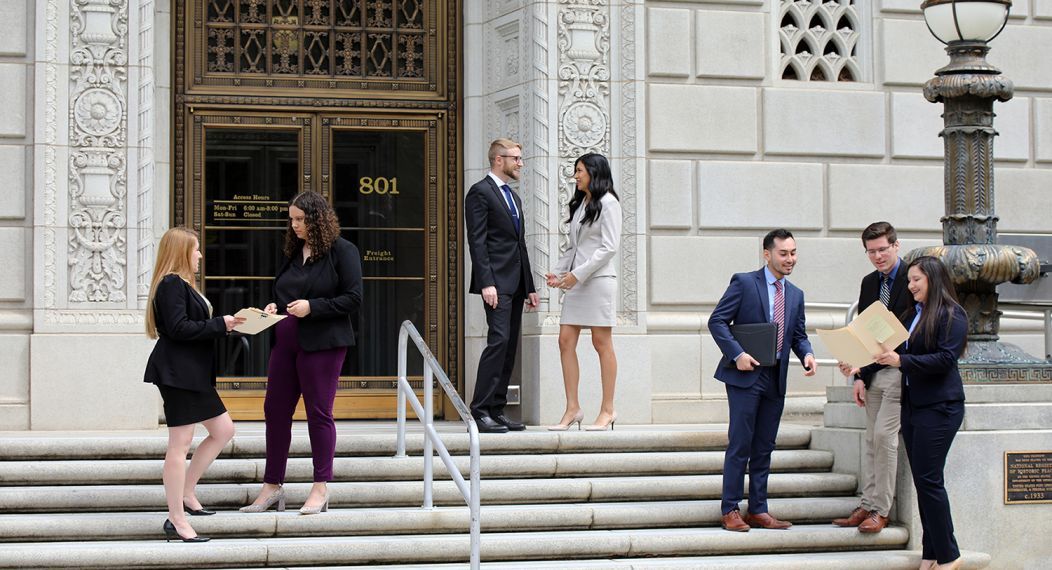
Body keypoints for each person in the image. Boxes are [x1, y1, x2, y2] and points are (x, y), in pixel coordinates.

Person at [241, 191, 363, 515]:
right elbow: (284, 295)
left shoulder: (343, 251)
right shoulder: (293, 252)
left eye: (300, 219)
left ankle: (321, 487)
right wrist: (273, 308)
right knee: (274, 410)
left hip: (323, 344)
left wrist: (314, 307)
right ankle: (272, 486)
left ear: (316, 219)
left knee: (318, 412)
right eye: (291, 219)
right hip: (285, 343)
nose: (294, 225)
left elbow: (353, 298)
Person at [708, 229, 818, 532]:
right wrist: (737, 354)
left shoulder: (796, 294)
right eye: (784, 253)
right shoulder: (744, 283)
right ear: (767, 254)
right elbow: (717, 321)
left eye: (794, 253)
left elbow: (798, 335)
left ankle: (758, 508)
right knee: (740, 443)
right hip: (745, 374)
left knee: (765, 445)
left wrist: (807, 354)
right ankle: (730, 508)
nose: (790, 259)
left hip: (776, 377)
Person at [144, 227, 244, 543]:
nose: (200, 255)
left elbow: (193, 327)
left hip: (191, 374)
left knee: (223, 430)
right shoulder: (171, 284)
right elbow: (179, 328)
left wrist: (229, 325)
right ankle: (176, 518)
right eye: (196, 249)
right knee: (180, 444)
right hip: (178, 374)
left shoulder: (183, 285)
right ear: (182, 252)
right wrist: (221, 324)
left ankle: (187, 492)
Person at [873, 255, 967, 570]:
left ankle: (950, 556)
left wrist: (902, 363)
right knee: (924, 481)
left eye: (916, 280)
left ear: (933, 280)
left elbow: (944, 360)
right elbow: (894, 352)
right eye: (909, 280)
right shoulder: (913, 314)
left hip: (941, 408)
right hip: (914, 406)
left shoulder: (953, 315)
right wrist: (858, 362)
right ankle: (931, 554)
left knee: (929, 480)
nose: (910, 285)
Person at [833, 222, 913, 533]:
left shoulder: (913, 278)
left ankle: (882, 510)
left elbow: (910, 330)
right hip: (872, 373)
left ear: (896, 245)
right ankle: (867, 504)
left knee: (884, 438)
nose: (878, 256)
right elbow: (864, 331)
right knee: (870, 440)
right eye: (871, 251)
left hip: (897, 369)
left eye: (882, 249)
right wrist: (858, 376)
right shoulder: (869, 283)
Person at [464, 138, 540, 433]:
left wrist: (530, 286)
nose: (520, 164)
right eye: (516, 159)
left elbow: (519, 245)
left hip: (516, 283)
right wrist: (486, 283)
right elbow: (477, 241)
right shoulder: (480, 193)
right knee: (498, 342)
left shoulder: (514, 198)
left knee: (509, 347)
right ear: (499, 159)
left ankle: (497, 409)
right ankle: (479, 410)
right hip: (495, 283)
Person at [545, 153, 623, 431]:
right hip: (577, 283)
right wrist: (559, 272)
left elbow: (609, 247)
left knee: (602, 343)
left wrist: (577, 275)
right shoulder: (582, 204)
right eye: (575, 171)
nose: (576, 175)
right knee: (565, 341)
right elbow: (573, 247)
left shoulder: (609, 203)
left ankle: (608, 409)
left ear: (594, 172)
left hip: (598, 281)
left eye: (580, 171)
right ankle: (572, 408)